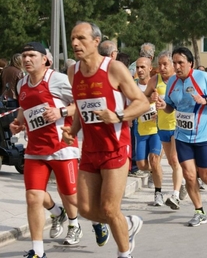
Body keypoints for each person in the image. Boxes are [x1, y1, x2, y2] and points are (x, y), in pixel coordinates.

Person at [62, 21, 149, 258]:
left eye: (81, 38)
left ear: (96, 41)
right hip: (90, 149)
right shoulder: (73, 72)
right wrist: (72, 130)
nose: (75, 43)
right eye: (72, 39)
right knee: (86, 209)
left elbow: (142, 103)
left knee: (110, 208)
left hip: (116, 146)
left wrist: (118, 115)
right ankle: (127, 224)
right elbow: (81, 108)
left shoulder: (114, 68)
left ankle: (124, 253)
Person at [10, 42, 81, 258]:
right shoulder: (21, 83)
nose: (27, 59)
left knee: (70, 194)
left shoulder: (58, 80)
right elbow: (25, 109)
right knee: (33, 197)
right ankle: (38, 251)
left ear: (45, 59)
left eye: (32, 55)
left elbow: (81, 104)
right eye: (24, 55)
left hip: (62, 147)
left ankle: (75, 222)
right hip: (35, 150)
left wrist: (60, 111)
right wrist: (18, 123)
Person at [158, 46, 207, 227]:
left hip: (203, 136)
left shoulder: (204, 78)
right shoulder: (172, 83)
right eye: (174, 63)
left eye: (180, 63)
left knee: (206, 177)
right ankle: (199, 211)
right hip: (182, 136)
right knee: (190, 177)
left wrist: (205, 101)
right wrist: (163, 105)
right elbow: (170, 107)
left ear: (190, 63)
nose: (177, 67)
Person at [143, 50, 188, 210]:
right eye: (159, 64)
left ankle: (175, 196)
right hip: (161, 126)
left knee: (175, 160)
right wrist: (151, 99)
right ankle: (182, 182)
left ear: (172, 64)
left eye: (165, 64)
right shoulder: (155, 81)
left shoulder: (180, 81)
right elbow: (143, 99)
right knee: (170, 161)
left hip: (178, 125)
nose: (161, 67)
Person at [133, 57, 164, 206]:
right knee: (141, 165)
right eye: (138, 67)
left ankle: (158, 194)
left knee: (154, 160)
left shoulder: (156, 85)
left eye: (143, 67)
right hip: (141, 130)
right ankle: (155, 171)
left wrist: (160, 112)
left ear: (150, 68)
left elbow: (166, 105)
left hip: (156, 130)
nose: (139, 70)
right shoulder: (132, 87)